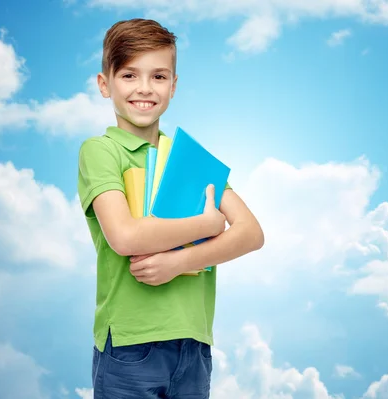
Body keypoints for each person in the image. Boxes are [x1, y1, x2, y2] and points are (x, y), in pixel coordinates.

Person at [77, 18, 264, 398]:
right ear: (104, 84)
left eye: (159, 77)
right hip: (130, 344)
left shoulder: (188, 159)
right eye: (129, 75)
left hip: (193, 345)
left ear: (173, 86)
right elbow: (125, 236)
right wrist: (207, 224)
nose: (144, 88)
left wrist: (179, 262)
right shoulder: (101, 151)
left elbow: (251, 233)